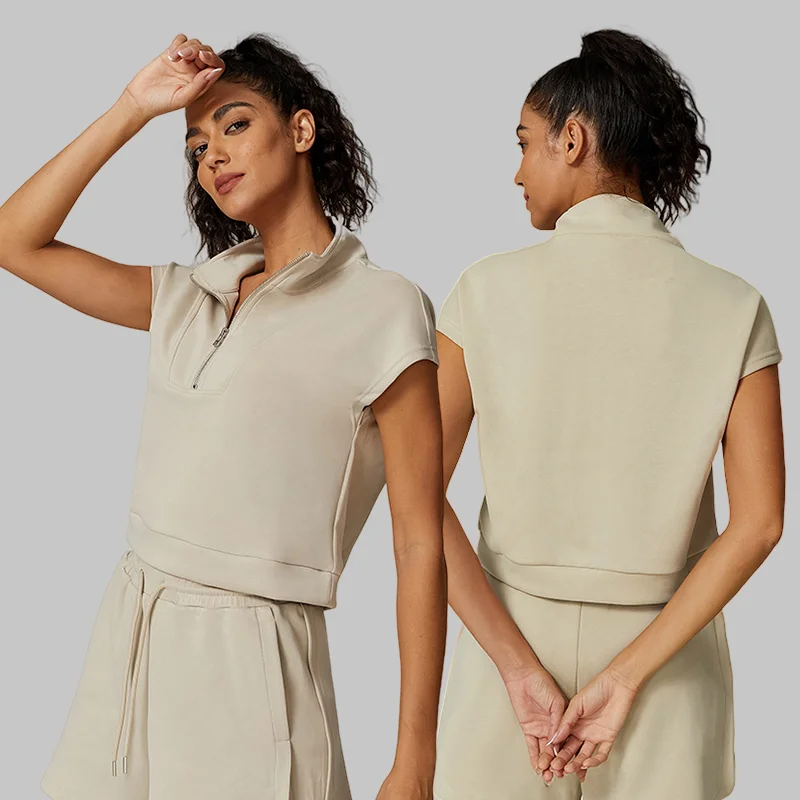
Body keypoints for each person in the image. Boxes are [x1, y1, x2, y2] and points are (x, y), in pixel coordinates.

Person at [0, 32, 447, 800]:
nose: (212, 156)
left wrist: (415, 761)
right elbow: (14, 240)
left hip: (255, 662)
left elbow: (418, 543)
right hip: (132, 639)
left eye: (235, 124)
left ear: (300, 130)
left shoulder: (385, 309)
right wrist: (134, 106)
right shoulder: (187, 295)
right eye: (196, 146)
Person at [431, 28, 784, 800]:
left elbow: (415, 494)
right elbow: (760, 524)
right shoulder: (735, 305)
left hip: (507, 651)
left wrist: (516, 667)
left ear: (573, 138)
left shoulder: (482, 292)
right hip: (669, 662)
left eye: (525, 143)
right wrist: (626, 676)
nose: (517, 170)